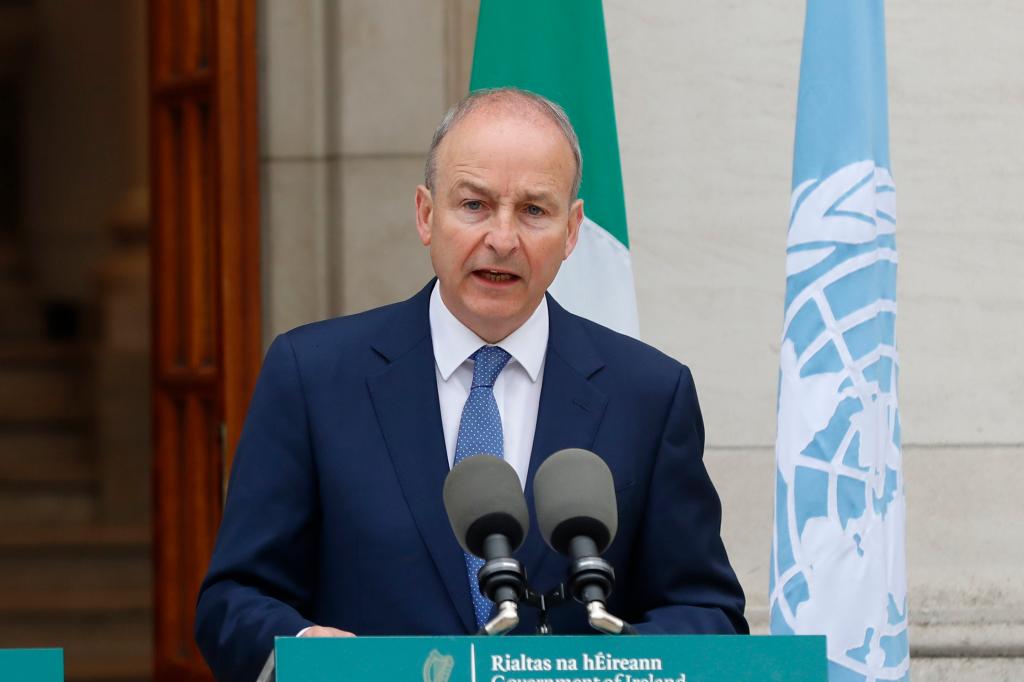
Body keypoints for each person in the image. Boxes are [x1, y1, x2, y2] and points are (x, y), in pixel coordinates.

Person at [195, 88, 747, 682]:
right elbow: (234, 599)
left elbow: (707, 611)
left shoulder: (649, 393)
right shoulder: (313, 376)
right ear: (426, 215)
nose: (503, 239)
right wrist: (308, 650)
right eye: (475, 205)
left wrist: (611, 664)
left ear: (572, 230)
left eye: (534, 210)